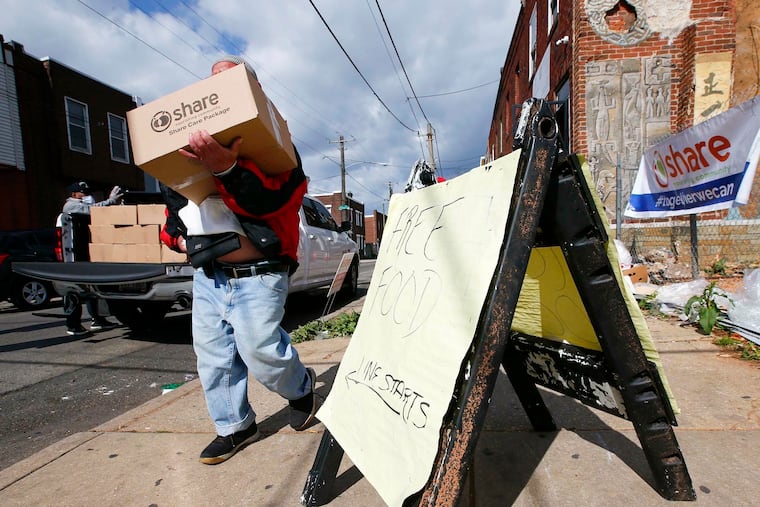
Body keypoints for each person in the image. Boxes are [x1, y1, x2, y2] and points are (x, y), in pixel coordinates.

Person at [160, 55, 317, 465]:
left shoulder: (276, 144)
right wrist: (175, 235)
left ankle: (300, 386)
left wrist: (227, 168)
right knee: (213, 358)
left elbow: (275, 202)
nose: (219, 89)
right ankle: (234, 427)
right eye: (212, 82)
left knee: (262, 352)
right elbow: (176, 200)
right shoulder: (191, 141)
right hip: (210, 276)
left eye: (231, 80)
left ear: (254, 90)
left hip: (259, 275)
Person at [62, 181, 123, 336]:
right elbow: (92, 210)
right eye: (83, 193)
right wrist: (110, 201)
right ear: (74, 194)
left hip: (85, 255)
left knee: (91, 288)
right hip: (73, 258)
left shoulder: (80, 208)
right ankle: (73, 325)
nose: (87, 196)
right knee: (74, 290)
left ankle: (97, 320)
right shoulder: (71, 207)